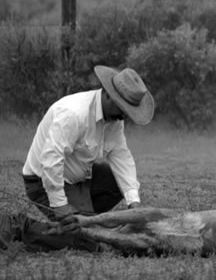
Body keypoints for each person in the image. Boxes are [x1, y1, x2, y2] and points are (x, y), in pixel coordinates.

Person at [0, 66, 154, 251]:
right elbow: (51, 159)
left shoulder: (114, 119)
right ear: (107, 94)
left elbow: (121, 155)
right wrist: (60, 205)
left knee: (116, 183)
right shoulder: (73, 113)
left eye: (127, 111)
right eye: (122, 108)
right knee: (87, 241)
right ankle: (17, 225)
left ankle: (84, 219)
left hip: (80, 180)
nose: (124, 116)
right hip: (43, 181)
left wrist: (133, 203)